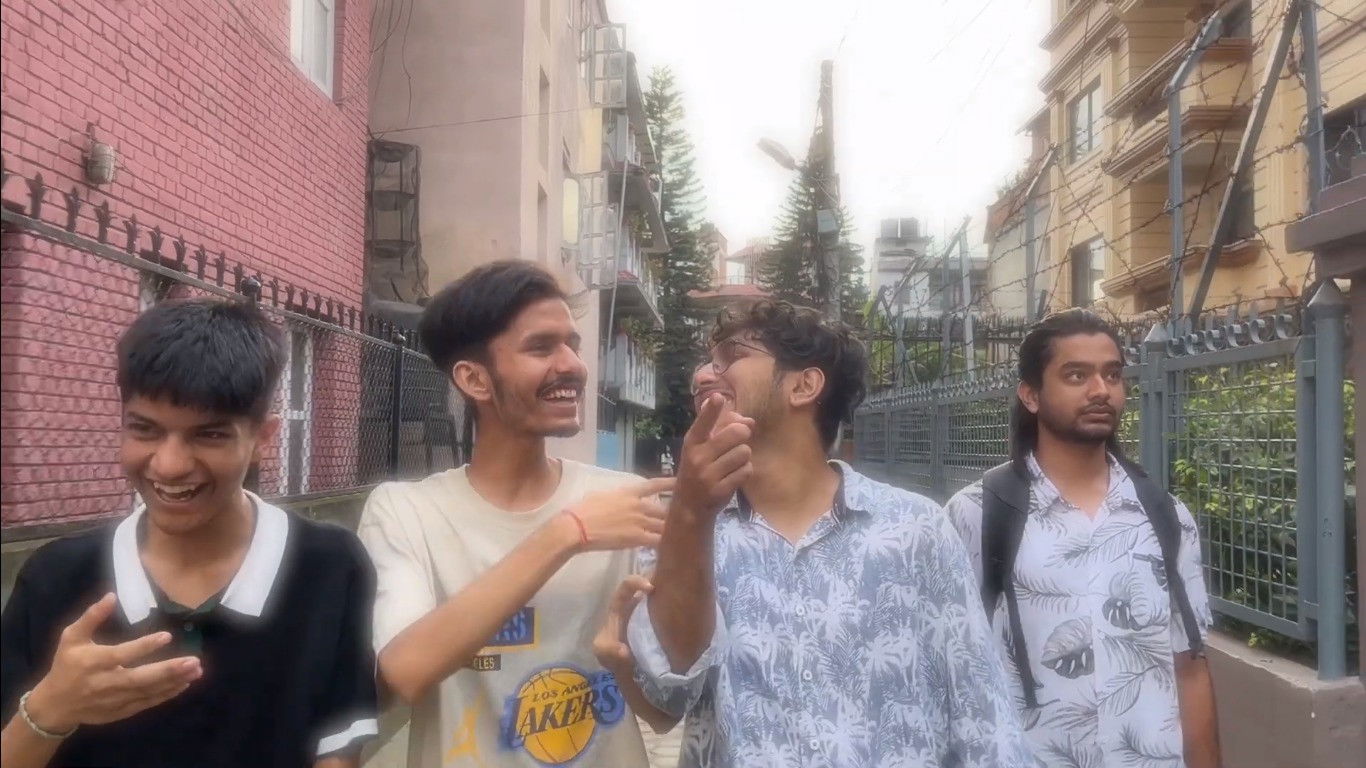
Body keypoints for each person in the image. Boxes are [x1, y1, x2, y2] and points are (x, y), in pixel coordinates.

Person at [626, 300, 1036, 767]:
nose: (703, 376)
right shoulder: (678, 532)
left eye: (731, 357)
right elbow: (667, 693)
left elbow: (980, 707)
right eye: (707, 362)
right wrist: (690, 515)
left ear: (804, 385)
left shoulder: (913, 530)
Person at [0, 298, 379, 768]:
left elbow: (337, 744)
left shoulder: (328, 565)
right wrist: (50, 711)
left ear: (262, 438)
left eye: (209, 434)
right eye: (145, 430)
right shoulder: (56, 579)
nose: (170, 465)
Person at [357, 260, 675, 768]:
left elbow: (666, 711)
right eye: (541, 347)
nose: (573, 365)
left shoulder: (625, 501)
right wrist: (567, 533)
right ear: (474, 379)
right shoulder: (406, 511)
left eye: (572, 344)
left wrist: (698, 518)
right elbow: (405, 672)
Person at [943, 309, 1220, 768]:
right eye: (1076, 375)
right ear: (1031, 395)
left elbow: (1189, 666)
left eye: (1112, 374)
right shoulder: (977, 514)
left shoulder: (1166, 517)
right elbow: (950, 669)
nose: (1100, 390)